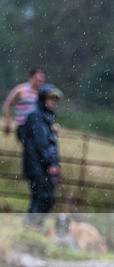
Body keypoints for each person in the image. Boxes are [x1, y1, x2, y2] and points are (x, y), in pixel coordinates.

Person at [19, 83, 63, 229]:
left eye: (55, 100)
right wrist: (50, 163)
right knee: (43, 198)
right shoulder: (37, 118)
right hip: (37, 166)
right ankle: (32, 227)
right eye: (51, 98)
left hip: (41, 166)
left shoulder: (45, 117)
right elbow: (41, 144)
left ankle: (34, 227)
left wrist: (55, 164)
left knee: (44, 198)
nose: (53, 102)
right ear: (43, 99)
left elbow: (49, 145)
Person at [3, 68, 46, 141]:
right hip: (23, 126)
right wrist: (8, 123)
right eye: (37, 80)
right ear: (31, 77)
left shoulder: (42, 92)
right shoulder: (20, 90)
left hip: (38, 126)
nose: (39, 82)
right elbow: (7, 105)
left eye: (41, 81)